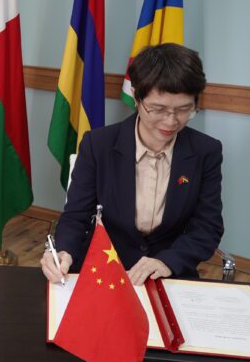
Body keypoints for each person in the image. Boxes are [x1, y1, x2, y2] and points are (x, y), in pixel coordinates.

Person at [41, 43, 224, 286]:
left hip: (167, 273)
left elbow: (207, 226)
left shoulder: (206, 151)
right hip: (103, 271)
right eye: (158, 109)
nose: (171, 121)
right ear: (137, 97)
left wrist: (167, 261)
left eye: (184, 110)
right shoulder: (98, 145)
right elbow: (76, 216)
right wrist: (64, 251)